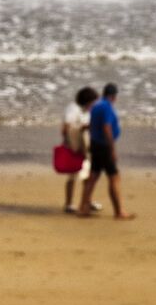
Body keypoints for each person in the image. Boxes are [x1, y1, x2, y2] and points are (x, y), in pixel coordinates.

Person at [78, 82, 133, 220]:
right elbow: (107, 128)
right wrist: (112, 148)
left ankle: (84, 208)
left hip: (95, 144)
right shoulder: (106, 107)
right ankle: (119, 211)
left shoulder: (96, 106)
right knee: (114, 177)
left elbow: (93, 124)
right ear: (114, 96)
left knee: (93, 176)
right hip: (103, 146)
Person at [57, 86, 97, 214]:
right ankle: (68, 203)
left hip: (83, 148)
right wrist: (68, 144)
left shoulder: (85, 111)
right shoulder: (73, 109)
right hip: (74, 147)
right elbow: (65, 128)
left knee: (87, 175)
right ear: (87, 100)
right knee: (73, 176)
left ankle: (87, 201)